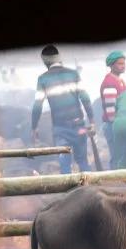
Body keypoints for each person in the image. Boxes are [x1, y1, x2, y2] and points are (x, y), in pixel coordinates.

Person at [30, 45, 96, 174]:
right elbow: (85, 98)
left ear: (45, 61)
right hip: (79, 126)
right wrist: (92, 122)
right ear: (59, 58)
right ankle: (89, 188)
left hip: (60, 129)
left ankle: (68, 190)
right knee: (82, 161)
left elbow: (37, 105)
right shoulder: (73, 74)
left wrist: (34, 127)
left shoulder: (43, 79)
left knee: (64, 163)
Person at [99, 50, 126, 166]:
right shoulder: (110, 83)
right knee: (117, 156)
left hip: (119, 123)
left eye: (124, 63)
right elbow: (111, 112)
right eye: (120, 64)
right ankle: (115, 182)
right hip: (113, 126)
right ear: (112, 65)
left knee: (122, 155)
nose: (123, 66)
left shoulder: (119, 80)